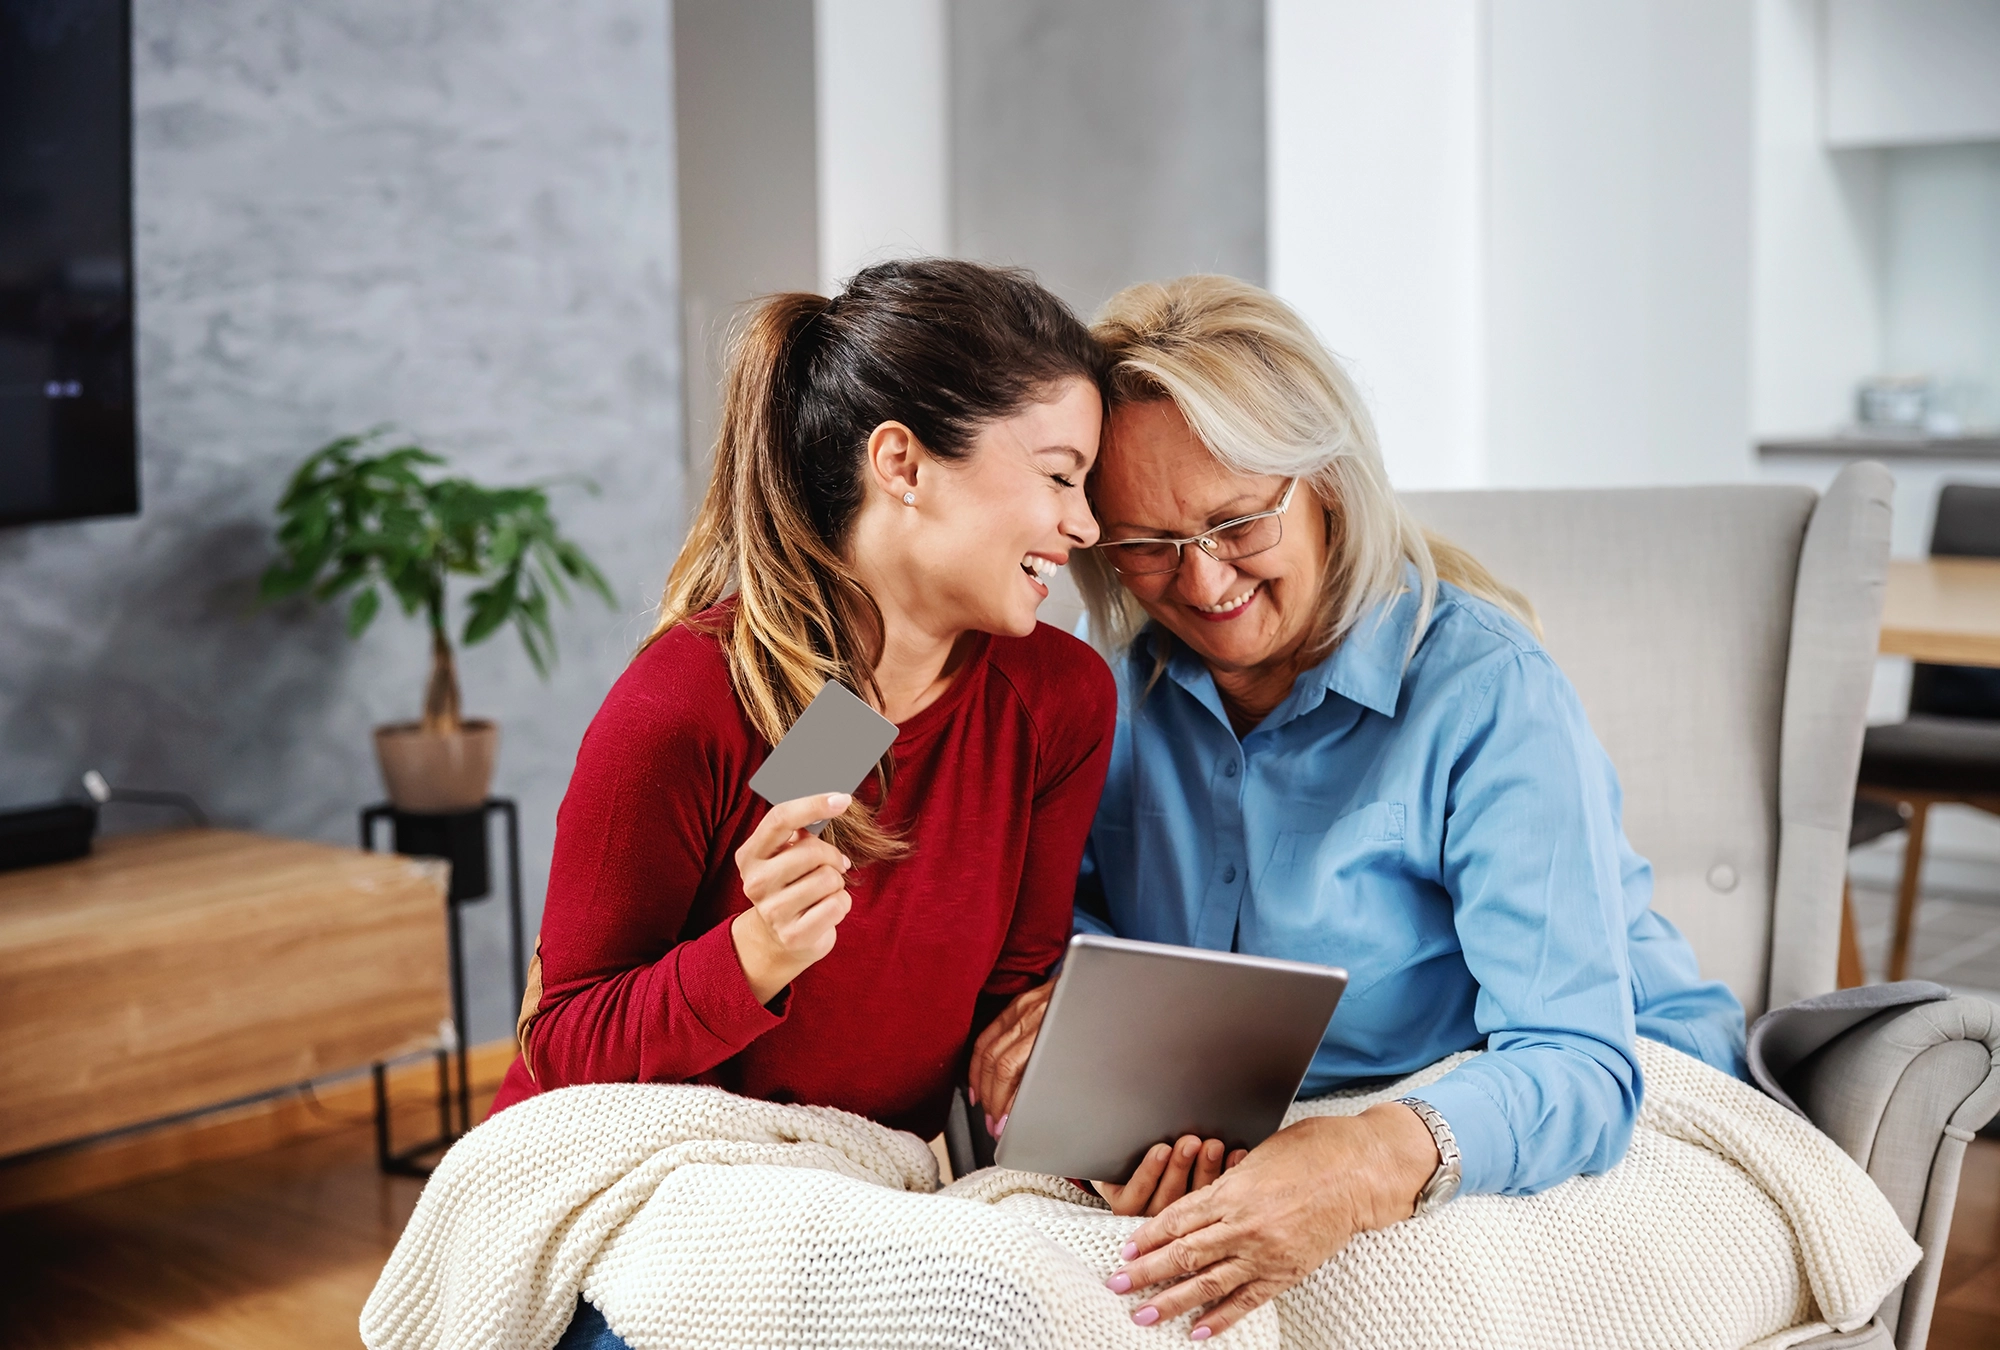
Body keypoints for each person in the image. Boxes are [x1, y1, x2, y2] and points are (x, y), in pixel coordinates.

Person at [969, 275, 1747, 1341]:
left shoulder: (1484, 689)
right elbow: (1078, 910)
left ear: (1325, 482)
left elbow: (1575, 1058)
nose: (1198, 585)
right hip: (1292, 1111)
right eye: (1145, 545)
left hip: (1583, 1082)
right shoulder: (1106, 697)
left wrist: (1368, 1157)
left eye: (1235, 523)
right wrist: (1091, 1036)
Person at [490, 259, 1118, 1350]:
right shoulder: (687, 703)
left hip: (868, 1186)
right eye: (1061, 477)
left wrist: (1072, 1083)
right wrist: (748, 960)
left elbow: (1009, 997)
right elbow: (562, 1046)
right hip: (647, 1172)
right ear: (901, 463)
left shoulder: (1054, 700)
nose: (1086, 529)